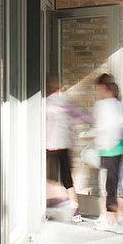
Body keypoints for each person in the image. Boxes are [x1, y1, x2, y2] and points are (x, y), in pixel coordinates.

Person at [45, 74, 92, 222]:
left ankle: (55, 205)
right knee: (67, 178)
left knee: (47, 178)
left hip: (48, 146)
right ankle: (75, 211)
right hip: (64, 145)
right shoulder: (66, 101)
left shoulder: (45, 103)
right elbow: (82, 116)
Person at [92, 72, 123, 231]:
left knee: (108, 187)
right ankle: (119, 217)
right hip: (119, 148)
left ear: (101, 87)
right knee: (115, 185)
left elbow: (102, 127)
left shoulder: (102, 105)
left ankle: (111, 221)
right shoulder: (118, 103)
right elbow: (121, 126)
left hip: (108, 150)